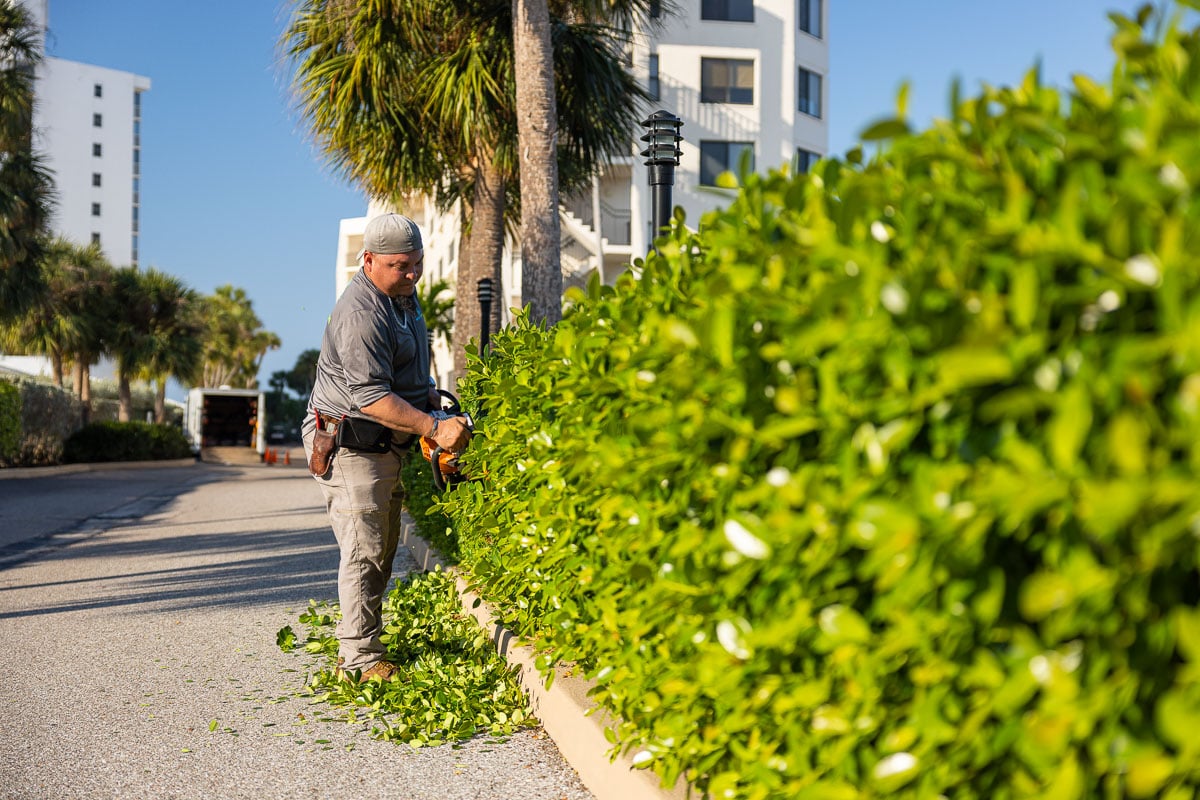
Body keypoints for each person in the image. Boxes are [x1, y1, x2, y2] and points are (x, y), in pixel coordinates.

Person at [302, 212, 471, 682]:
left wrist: (429, 396)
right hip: (350, 441)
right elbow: (371, 397)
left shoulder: (403, 295)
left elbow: (406, 366)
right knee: (364, 548)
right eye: (401, 266)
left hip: (385, 443)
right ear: (369, 260)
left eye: (417, 264)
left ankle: (365, 640)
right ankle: (357, 659)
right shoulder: (360, 312)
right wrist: (433, 428)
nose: (412, 274)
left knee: (384, 543)